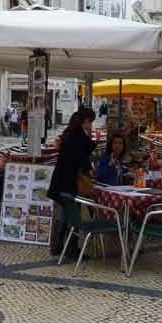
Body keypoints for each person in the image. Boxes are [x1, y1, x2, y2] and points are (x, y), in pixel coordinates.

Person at [48, 107, 97, 256]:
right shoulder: (79, 135)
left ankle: (57, 246)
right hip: (71, 180)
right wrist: (90, 171)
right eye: (91, 122)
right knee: (71, 213)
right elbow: (82, 156)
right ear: (86, 121)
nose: (91, 126)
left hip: (61, 178)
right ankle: (71, 248)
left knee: (64, 212)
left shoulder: (69, 132)